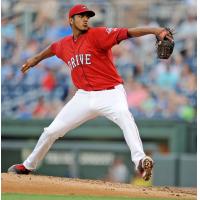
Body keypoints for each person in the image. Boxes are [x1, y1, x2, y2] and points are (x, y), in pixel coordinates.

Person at [8, 4, 172, 181]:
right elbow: (53, 48)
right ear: (71, 20)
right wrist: (35, 59)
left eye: (87, 16)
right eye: (81, 16)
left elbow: (128, 32)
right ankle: (27, 166)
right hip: (84, 96)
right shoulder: (64, 44)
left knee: (125, 117)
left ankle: (140, 161)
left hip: (110, 93)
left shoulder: (98, 34)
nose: (86, 19)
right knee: (51, 131)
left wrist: (156, 30)